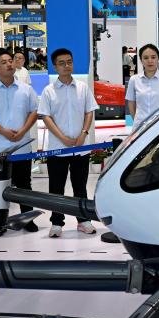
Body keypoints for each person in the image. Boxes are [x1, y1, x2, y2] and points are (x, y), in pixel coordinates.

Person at [0, 47, 40, 235]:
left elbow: (34, 111)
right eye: (3, 62)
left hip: (22, 145)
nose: (9, 64)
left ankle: (27, 218)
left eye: (10, 61)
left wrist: (23, 131)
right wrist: (3, 132)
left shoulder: (26, 89)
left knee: (24, 184)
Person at [39, 48, 99, 237]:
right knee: (56, 188)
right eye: (62, 63)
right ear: (55, 66)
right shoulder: (48, 91)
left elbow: (89, 111)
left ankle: (84, 220)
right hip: (58, 148)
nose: (67, 66)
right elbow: (46, 117)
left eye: (69, 62)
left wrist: (84, 133)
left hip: (80, 148)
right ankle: (56, 223)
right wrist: (62, 137)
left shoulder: (82, 87)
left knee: (80, 186)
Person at [126, 44, 159, 130]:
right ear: (141, 60)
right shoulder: (134, 80)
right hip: (139, 127)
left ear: (158, 59)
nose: (150, 61)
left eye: (153, 57)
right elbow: (131, 103)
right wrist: (137, 122)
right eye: (145, 58)